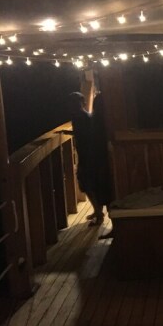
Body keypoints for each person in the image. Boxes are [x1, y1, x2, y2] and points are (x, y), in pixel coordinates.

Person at [62, 92, 111, 226]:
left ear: (83, 103)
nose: (73, 106)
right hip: (87, 156)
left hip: (90, 157)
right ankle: (97, 211)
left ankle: (99, 214)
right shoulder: (80, 118)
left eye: (75, 103)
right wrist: (70, 132)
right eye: (72, 103)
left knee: (89, 185)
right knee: (88, 184)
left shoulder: (85, 118)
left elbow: (91, 138)